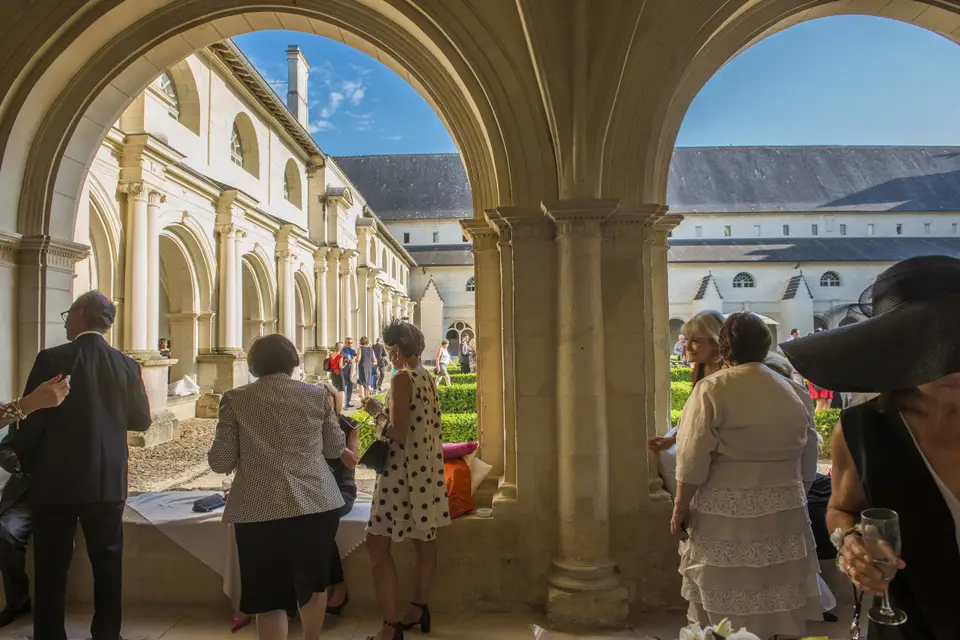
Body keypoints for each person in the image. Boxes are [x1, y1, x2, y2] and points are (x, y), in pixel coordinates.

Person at [781, 255, 960, 640]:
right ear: (893, 349)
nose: (951, 363)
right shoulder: (862, 430)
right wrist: (849, 543)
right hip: (911, 623)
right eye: (929, 342)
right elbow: (842, 508)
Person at [7, 291, 151, 640]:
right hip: (107, 480)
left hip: (55, 481)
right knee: (108, 563)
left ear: (81, 312)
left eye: (68, 313)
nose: (66, 320)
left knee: (52, 566)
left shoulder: (52, 358)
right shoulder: (127, 365)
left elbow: (32, 419)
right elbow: (142, 420)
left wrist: (22, 462)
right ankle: (106, 634)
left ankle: (50, 635)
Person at [672, 312, 820, 639]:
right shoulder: (794, 392)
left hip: (724, 512)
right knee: (776, 589)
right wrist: (797, 492)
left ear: (724, 347)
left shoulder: (712, 389)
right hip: (784, 508)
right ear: (765, 346)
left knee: (723, 594)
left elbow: (692, 454)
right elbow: (809, 454)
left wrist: (680, 505)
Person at [208, 334, 346, 640]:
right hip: (315, 503)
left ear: (254, 365)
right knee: (314, 584)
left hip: (259, 508)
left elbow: (219, 461)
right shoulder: (315, 395)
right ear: (292, 362)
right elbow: (336, 448)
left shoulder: (235, 398)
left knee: (268, 597)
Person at [361, 321, 451, 640]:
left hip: (402, 475)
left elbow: (398, 432)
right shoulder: (426, 376)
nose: (388, 357)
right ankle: (419, 607)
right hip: (425, 472)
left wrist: (375, 411)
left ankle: (389, 628)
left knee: (376, 543)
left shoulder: (401, 378)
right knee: (424, 540)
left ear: (396, 349)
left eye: (388, 350)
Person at [0, 376, 71, 627]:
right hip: (26, 495)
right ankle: (17, 602)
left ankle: (53, 610)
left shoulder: (79, 417)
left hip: (65, 497)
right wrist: (13, 462)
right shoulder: (25, 413)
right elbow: (5, 447)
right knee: (5, 532)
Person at [649, 310, 725, 453]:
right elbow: (695, 413)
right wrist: (672, 439)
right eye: (687, 339)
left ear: (716, 342)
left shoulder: (729, 374)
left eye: (695, 341)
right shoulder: (700, 367)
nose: (688, 347)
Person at [318, 381, 361, 616]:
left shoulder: (348, 425)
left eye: (328, 398)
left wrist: (336, 441)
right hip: (316, 488)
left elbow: (352, 461)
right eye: (319, 399)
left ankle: (338, 584)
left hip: (341, 487)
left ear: (336, 400)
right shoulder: (309, 425)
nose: (324, 403)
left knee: (323, 519)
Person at [356, 337, 377, 402]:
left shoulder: (360, 348)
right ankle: (368, 399)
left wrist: (355, 359)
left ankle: (362, 400)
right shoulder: (371, 349)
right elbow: (374, 359)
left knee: (361, 383)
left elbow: (358, 359)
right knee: (367, 383)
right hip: (369, 367)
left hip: (362, 367)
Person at [328, 342, 346, 407]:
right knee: (342, 390)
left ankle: (335, 404)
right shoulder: (340, 356)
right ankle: (341, 405)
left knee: (335, 389)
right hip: (339, 373)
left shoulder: (331, 354)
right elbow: (340, 366)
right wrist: (345, 365)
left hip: (333, 373)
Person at [341, 337, 357, 408]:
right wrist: (348, 360)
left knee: (350, 387)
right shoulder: (342, 350)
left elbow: (356, 357)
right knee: (344, 387)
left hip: (351, 371)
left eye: (351, 343)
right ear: (345, 342)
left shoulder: (353, 351)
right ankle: (343, 403)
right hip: (344, 371)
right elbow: (343, 358)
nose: (350, 344)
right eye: (348, 342)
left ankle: (348, 402)